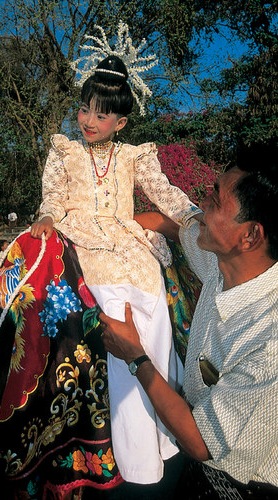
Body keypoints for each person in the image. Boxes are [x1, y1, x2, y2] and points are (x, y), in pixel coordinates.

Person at [31, 23, 202, 484]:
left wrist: (191, 216)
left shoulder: (133, 156)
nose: (88, 120)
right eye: (84, 109)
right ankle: (132, 456)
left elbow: (163, 192)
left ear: (121, 122)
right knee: (111, 312)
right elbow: (51, 198)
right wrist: (47, 218)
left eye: (101, 115)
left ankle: (165, 433)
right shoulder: (63, 151)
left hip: (130, 244)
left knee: (155, 315)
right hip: (82, 241)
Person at [99, 141, 278, 499]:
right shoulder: (223, 263)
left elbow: (200, 443)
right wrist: (113, 232)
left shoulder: (269, 342)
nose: (202, 205)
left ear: (250, 235)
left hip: (241, 487)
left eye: (216, 200)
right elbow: (175, 226)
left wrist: (135, 357)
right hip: (198, 465)